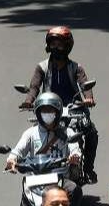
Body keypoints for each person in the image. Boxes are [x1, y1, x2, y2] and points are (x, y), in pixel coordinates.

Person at [5, 91, 83, 206]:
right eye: (44, 111)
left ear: (57, 112)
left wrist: (74, 156)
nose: (48, 115)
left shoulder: (67, 133)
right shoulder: (30, 133)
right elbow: (17, 151)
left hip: (58, 182)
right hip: (34, 182)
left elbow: (75, 149)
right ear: (38, 113)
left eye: (51, 111)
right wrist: (12, 160)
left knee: (75, 198)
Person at [21, 26, 99, 183]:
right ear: (48, 46)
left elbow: (85, 85)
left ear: (67, 46)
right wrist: (28, 101)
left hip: (73, 110)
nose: (56, 48)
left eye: (60, 44)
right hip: (48, 109)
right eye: (53, 44)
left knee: (91, 133)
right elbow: (34, 87)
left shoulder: (76, 67)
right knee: (33, 133)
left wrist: (88, 98)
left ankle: (88, 169)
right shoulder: (42, 67)